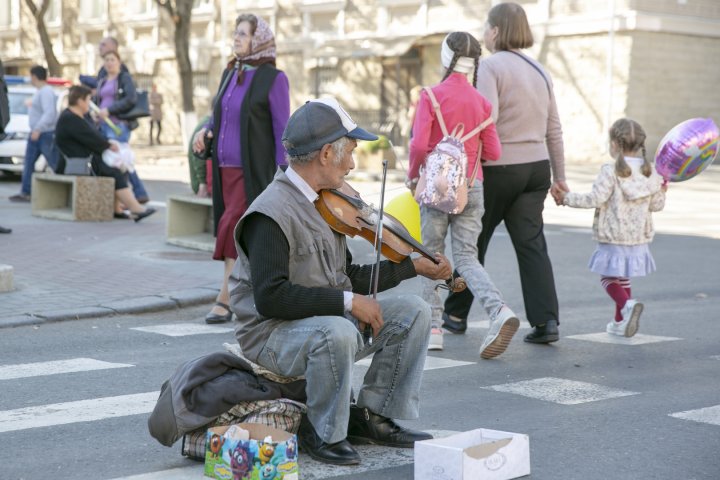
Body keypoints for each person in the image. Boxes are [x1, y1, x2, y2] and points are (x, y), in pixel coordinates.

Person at [227, 97, 452, 465]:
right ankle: (323, 431)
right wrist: (347, 304)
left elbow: (348, 278)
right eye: (349, 152)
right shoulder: (269, 213)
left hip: (319, 324)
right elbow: (270, 299)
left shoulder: (324, 204)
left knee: (414, 311)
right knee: (339, 330)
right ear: (326, 153)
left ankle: (373, 417)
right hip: (272, 336)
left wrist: (412, 266)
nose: (351, 164)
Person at [442, 2, 568, 344]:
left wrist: (466, 173)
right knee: (531, 245)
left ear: (495, 31)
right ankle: (546, 323)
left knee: (472, 242)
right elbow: (554, 128)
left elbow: (487, 122)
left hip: (500, 169)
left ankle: (454, 315)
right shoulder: (541, 70)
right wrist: (561, 177)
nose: (484, 33)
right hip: (537, 169)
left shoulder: (491, 67)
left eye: (486, 27)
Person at [406, 32, 518, 357]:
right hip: (472, 186)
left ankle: (434, 329)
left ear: (445, 57)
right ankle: (499, 310)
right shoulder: (482, 103)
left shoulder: (431, 95)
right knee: (467, 257)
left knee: (431, 255)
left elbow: (417, 145)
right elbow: (494, 152)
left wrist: (414, 175)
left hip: (437, 186)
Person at [192, 13, 290, 325]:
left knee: (232, 227)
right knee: (238, 232)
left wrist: (282, 174)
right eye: (236, 33)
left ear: (258, 39)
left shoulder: (274, 79)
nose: (237, 38)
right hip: (223, 170)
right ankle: (247, 294)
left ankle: (226, 297)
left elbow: (281, 130)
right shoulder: (230, 72)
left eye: (244, 34)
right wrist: (203, 131)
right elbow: (217, 114)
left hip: (253, 172)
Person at [557, 118, 666, 337]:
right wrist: (663, 189)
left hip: (613, 235)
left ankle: (626, 306)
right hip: (638, 238)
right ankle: (619, 322)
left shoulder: (610, 170)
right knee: (623, 277)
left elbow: (595, 198)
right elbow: (657, 205)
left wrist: (566, 198)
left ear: (615, 144)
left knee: (607, 278)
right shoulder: (651, 173)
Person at [55, 85, 155, 222]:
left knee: (118, 169)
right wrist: (108, 145)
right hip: (77, 164)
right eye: (88, 100)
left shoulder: (74, 116)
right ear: (80, 101)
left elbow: (92, 135)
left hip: (83, 161)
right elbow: (93, 139)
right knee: (113, 171)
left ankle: (118, 209)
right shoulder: (71, 118)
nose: (90, 104)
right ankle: (135, 209)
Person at [96, 37, 150, 204]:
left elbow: (131, 99)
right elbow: (100, 101)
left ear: (119, 62)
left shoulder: (123, 78)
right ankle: (122, 199)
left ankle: (139, 192)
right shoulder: (103, 81)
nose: (109, 63)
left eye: (112, 60)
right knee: (113, 161)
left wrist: (110, 110)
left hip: (118, 125)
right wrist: (97, 113)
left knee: (121, 159)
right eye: (107, 60)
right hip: (103, 124)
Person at [9, 65, 58, 202]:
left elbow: (50, 113)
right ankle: (26, 191)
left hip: (43, 133)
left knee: (53, 162)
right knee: (29, 162)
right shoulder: (41, 91)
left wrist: (38, 128)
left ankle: (66, 187)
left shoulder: (46, 91)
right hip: (38, 132)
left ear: (34, 76)